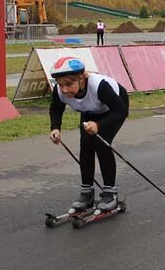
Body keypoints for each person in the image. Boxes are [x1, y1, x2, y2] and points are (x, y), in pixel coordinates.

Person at [48, 57, 130, 212]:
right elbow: (56, 108)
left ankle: (110, 193)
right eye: (60, 84)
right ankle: (87, 193)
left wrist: (99, 125)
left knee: (101, 144)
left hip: (113, 109)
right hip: (90, 110)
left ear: (81, 79)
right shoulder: (60, 90)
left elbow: (122, 111)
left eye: (69, 84)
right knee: (85, 146)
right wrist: (55, 128)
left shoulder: (99, 87)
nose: (64, 89)